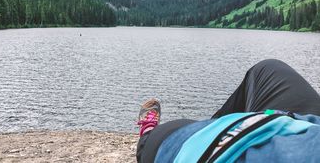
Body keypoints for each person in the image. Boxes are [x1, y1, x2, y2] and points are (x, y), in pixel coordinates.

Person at [136, 59, 320, 162]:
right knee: (269, 67)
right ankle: (214, 125)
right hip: (305, 128)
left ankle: (147, 134)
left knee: (158, 139)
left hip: (217, 154)